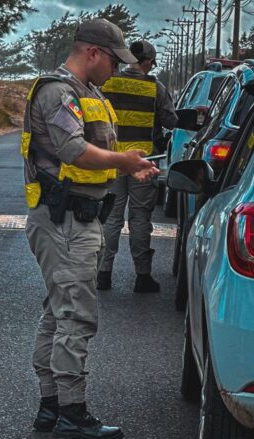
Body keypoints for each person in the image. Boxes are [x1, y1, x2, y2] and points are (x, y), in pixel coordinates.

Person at [20, 19, 160, 439]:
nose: (117, 70)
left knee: (58, 313)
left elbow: (98, 149)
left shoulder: (90, 93)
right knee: (76, 317)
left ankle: (51, 406)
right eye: (114, 61)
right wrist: (124, 163)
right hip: (63, 221)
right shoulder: (57, 91)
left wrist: (128, 165)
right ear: (93, 53)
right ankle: (72, 413)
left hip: (81, 217)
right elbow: (73, 150)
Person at [97, 40, 179, 293]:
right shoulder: (156, 88)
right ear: (146, 62)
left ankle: (103, 274)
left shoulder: (107, 84)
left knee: (111, 216)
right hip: (143, 163)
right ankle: (142, 276)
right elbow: (171, 120)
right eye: (152, 63)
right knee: (140, 217)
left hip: (112, 161)